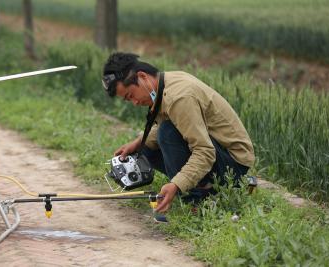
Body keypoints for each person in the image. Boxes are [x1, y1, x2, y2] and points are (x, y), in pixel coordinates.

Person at [101, 52, 255, 213]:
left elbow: (205, 152)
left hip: (234, 164)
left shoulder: (179, 97)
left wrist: (177, 184)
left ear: (142, 77)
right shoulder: (165, 82)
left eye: (131, 95)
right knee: (145, 147)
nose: (135, 102)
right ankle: (207, 186)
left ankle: (198, 201)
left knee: (167, 134)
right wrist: (138, 143)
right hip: (218, 151)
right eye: (128, 100)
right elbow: (173, 123)